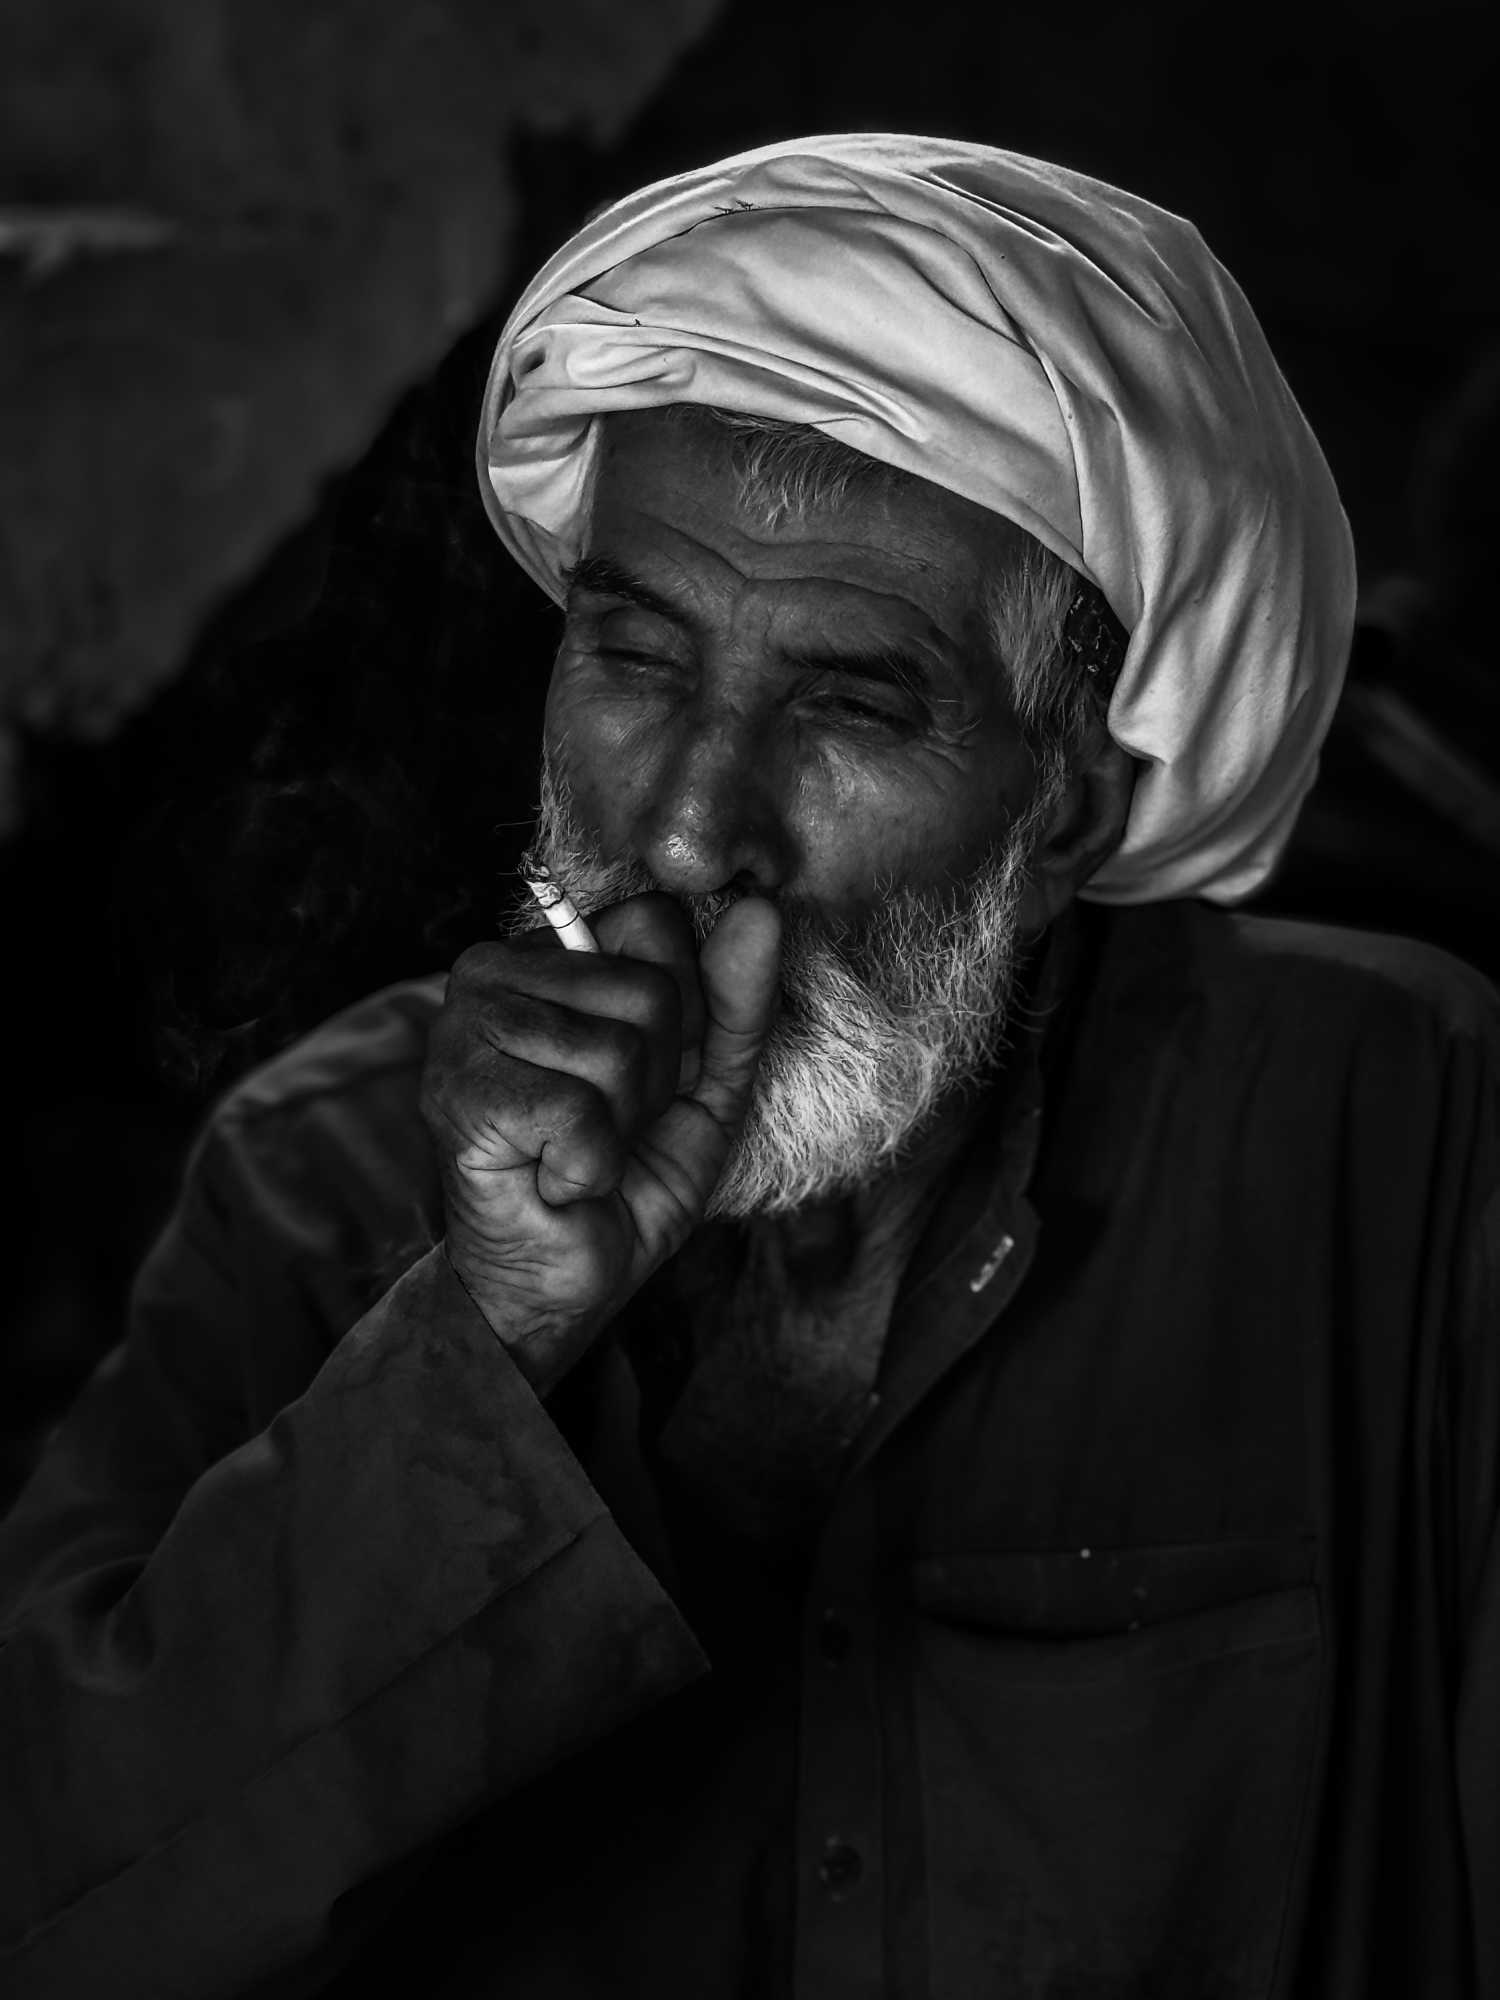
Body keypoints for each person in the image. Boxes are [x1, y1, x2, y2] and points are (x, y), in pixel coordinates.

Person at [2, 133, 1498, 2000]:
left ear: (1067, 808)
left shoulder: (1400, 1132)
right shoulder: (324, 1173)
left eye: (849, 705)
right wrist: (488, 1342)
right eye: (637, 661)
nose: (692, 829)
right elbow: (53, 1915)